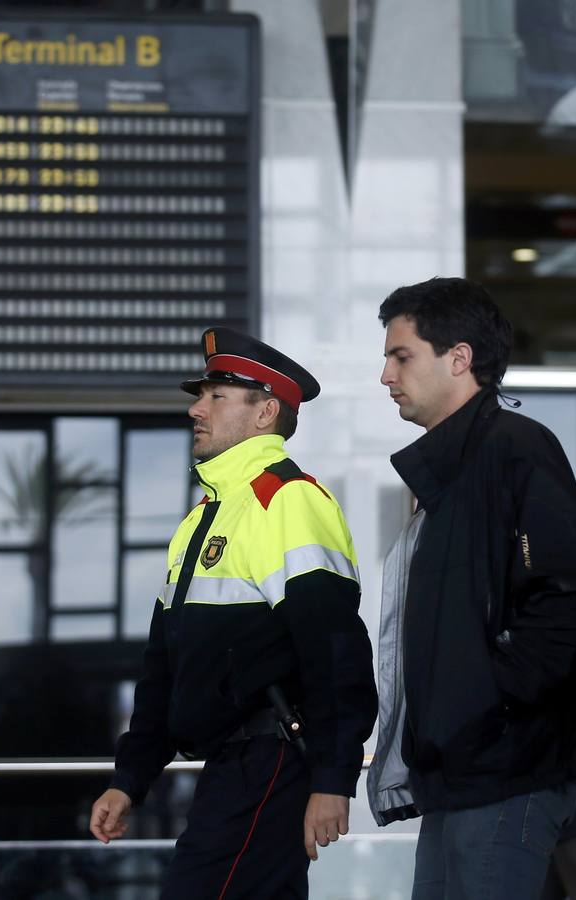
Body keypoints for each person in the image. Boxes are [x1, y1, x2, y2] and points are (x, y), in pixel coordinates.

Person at [89, 328, 378, 899]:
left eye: (217, 396)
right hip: (234, 765)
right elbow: (163, 669)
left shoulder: (287, 501)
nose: (197, 408)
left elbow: (335, 650)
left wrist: (332, 777)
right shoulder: (201, 521)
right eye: (202, 395)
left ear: (265, 411)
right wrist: (131, 780)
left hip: (269, 761)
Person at [366, 276, 576, 900]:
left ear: (460, 359)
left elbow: (568, 602)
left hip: (507, 768)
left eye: (401, 356)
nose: (386, 376)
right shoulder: (449, 472)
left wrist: (487, 704)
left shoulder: (516, 450)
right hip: (461, 770)